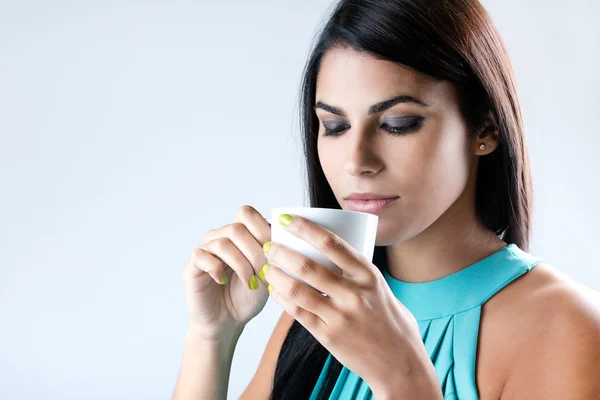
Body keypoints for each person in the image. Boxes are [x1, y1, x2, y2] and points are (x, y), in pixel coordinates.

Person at [172, 0, 600, 399]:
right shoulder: (327, 302)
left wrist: (403, 379)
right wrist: (211, 337)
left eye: (398, 123)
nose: (357, 161)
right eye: (335, 127)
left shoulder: (564, 326)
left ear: (484, 129)